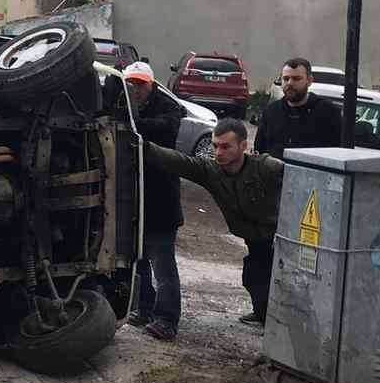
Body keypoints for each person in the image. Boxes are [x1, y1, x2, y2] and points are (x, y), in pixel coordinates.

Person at [143, 119, 285, 328]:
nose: (218, 152)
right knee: (254, 276)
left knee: (274, 280)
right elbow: (181, 162)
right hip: (255, 239)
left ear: (243, 146)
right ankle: (267, 319)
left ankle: (278, 328)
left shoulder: (265, 167)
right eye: (215, 145)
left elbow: (301, 180)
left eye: (226, 146)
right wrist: (144, 147)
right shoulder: (212, 171)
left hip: (281, 238)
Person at [111, 62, 185, 341]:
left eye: (141, 84)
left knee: (162, 263)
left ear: (151, 84)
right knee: (138, 260)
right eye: (131, 83)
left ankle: (167, 319)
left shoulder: (168, 109)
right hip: (135, 201)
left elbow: (160, 130)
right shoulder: (125, 104)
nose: (136, 88)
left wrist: (129, 122)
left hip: (160, 203)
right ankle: (144, 309)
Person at [254, 58, 340, 159]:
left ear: (309, 81)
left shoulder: (328, 112)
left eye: (296, 78)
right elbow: (259, 151)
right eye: (286, 79)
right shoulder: (271, 112)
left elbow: (337, 153)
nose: (290, 83)